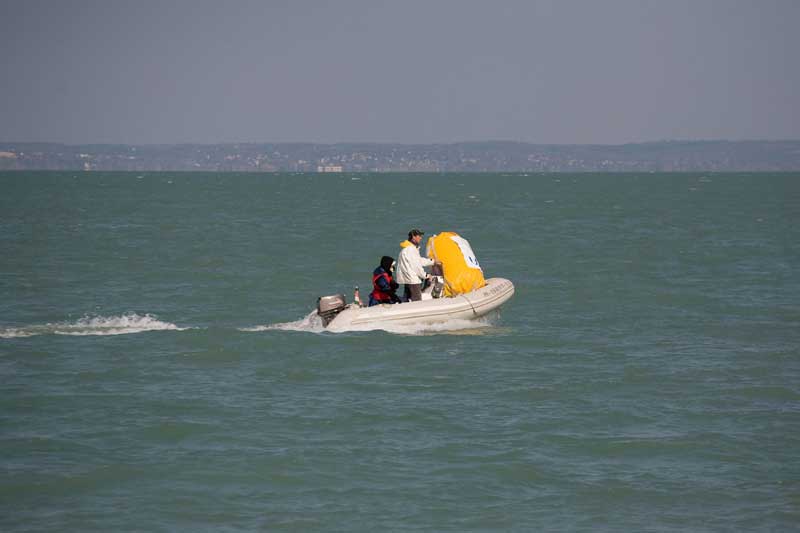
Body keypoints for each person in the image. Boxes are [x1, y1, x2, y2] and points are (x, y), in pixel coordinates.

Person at [395, 228, 435, 302]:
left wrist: (432, 261)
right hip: (413, 281)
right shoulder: (411, 250)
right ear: (413, 237)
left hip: (407, 279)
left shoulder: (407, 249)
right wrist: (426, 275)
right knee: (417, 301)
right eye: (419, 236)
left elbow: (419, 261)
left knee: (407, 300)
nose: (421, 238)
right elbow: (416, 266)